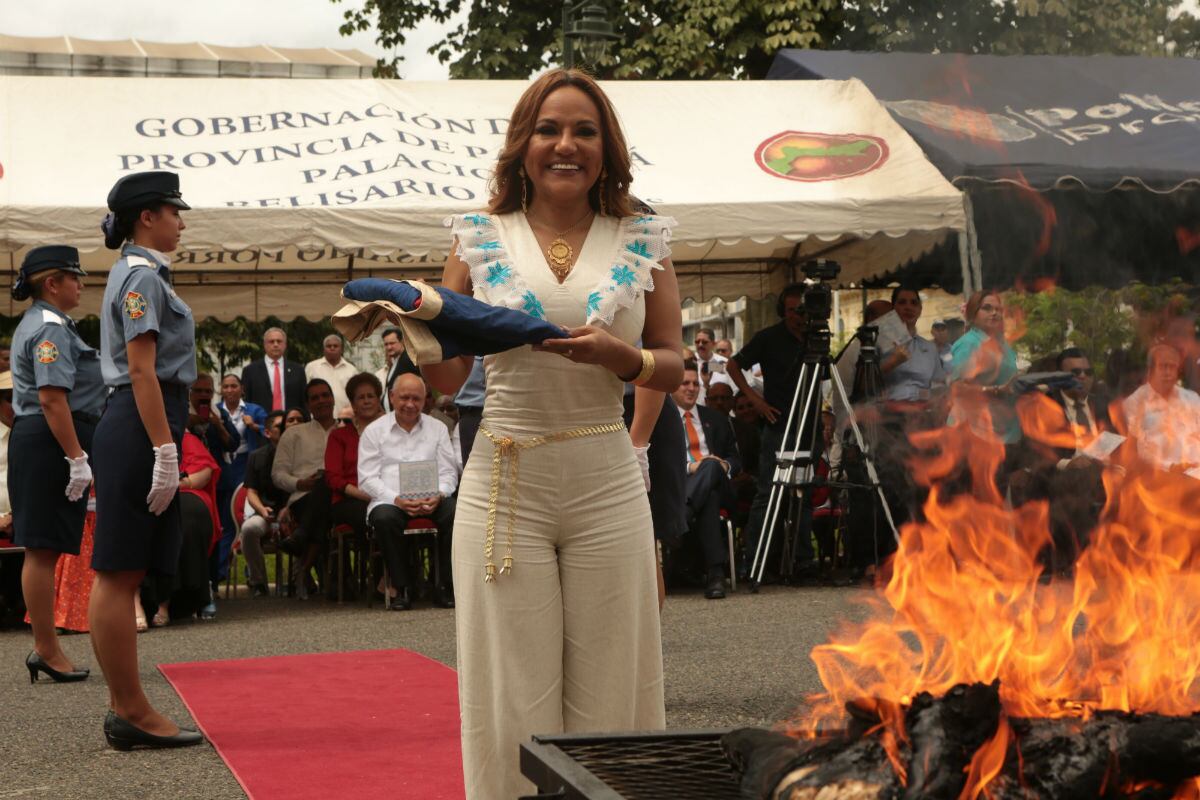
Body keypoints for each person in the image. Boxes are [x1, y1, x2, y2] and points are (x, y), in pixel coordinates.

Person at [425, 69, 683, 799]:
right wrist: (414, 328)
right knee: (509, 692)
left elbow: (672, 360)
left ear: (607, 148)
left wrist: (623, 358)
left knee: (616, 687)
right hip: (505, 485)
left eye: (584, 131)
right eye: (548, 129)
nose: (565, 145)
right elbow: (447, 378)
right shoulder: (478, 236)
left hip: (605, 476)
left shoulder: (645, 237)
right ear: (522, 145)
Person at [90, 170, 202, 750]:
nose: (181, 221)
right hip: (141, 420)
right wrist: (163, 448)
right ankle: (131, 709)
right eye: (173, 211)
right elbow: (141, 369)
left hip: (144, 419)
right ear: (147, 218)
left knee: (124, 567)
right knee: (118, 570)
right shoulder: (141, 277)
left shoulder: (144, 274)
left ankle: (124, 704)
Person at [9, 246, 104, 684]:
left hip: (48, 441)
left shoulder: (50, 324)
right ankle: (46, 648)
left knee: (43, 548)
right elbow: (51, 398)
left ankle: (46, 647)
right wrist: (76, 457)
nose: (80, 284)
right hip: (51, 442)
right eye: (74, 277)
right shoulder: (49, 329)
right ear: (52, 283)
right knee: (42, 549)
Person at [727, 283, 810, 576]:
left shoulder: (816, 339)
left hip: (809, 423)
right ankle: (756, 562)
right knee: (768, 492)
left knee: (803, 491)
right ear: (783, 312)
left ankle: (802, 559)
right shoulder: (769, 338)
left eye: (803, 309)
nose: (798, 316)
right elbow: (733, 366)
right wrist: (756, 401)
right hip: (777, 423)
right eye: (792, 310)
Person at [358, 374, 458, 610]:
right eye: (404, 398)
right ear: (392, 397)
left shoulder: (438, 429)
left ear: (426, 401)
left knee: (456, 513)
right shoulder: (374, 431)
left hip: (432, 497)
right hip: (391, 499)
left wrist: (440, 494)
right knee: (384, 518)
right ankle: (401, 588)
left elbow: (449, 473)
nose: (410, 404)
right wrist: (396, 499)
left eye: (417, 398)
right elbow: (367, 478)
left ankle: (445, 585)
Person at [1025, 347, 1111, 574]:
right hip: (1061, 475)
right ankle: (1082, 561)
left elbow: (1118, 442)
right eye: (1075, 372)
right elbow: (1034, 452)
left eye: (1087, 371)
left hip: (1103, 472)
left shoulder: (1103, 404)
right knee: (1079, 479)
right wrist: (1067, 464)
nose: (1083, 377)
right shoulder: (1044, 405)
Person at [672, 361, 741, 599]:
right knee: (709, 497)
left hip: (722, 487)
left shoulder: (716, 419)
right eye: (685, 383)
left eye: (695, 384)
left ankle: (684, 516)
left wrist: (725, 465)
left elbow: (734, 457)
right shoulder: (662, 421)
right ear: (672, 386)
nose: (691, 388)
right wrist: (692, 466)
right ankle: (716, 575)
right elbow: (657, 461)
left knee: (712, 465)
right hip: (682, 487)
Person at [140, 430, 220, 626]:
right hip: (143, 492)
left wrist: (177, 484)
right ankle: (137, 600)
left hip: (184, 490)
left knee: (185, 517)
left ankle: (168, 602)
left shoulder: (184, 437)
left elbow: (205, 470)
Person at [272, 379, 338, 599]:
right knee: (322, 491)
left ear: (333, 398)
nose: (321, 401)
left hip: (341, 496)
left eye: (325, 395)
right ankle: (313, 572)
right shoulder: (294, 434)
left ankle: (302, 556)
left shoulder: (347, 431)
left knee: (328, 482)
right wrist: (299, 483)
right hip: (303, 497)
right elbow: (278, 474)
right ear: (308, 404)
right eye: (315, 398)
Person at [948, 291, 1022, 486]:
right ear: (972, 313)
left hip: (1003, 430)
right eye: (987, 308)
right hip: (974, 432)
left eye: (998, 309)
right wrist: (995, 390)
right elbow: (957, 388)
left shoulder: (1004, 345)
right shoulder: (968, 344)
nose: (994, 313)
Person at [324, 372, 384, 599]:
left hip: (385, 495)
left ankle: (393, 576)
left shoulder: (391, 431)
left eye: (371, 396)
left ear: (379, 400)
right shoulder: (339, 436)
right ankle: (377, 576)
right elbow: (333, 478)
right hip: (349, 498)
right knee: (368, 515)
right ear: (353, 404)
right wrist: (365, 495)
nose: (367, 400)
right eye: (361, 397)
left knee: (389, 514)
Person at [214, 374, 266, 587]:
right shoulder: (215, 411)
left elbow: (271, 429)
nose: (230, 390)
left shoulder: (253, 410)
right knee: (225, 518)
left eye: (234, 386)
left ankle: (250, 569)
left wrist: (254, 426)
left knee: (244, 515)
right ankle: (219, 570)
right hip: (224, 464)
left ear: (241, 389)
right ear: (221, 389)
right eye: (225, 386)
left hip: (247, 463)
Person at [1122, 343, 1200, 473]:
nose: (1168, 372)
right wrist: (1170, 467)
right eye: (1163, 366)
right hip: (1161, 478)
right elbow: (1134, 452)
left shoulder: (1192, 398)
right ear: (1150, 370)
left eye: (1173, 367)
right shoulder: (1134, 403)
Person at [239, 410, 289, 597]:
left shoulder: (298, 455)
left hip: (293, 512)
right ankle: (258, 581)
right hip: (264, 513)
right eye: (279, 427)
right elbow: (251, 491)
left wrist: (289, 508)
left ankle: (301, 579)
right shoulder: (256, 456)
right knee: (249, 529)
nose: (284, 429)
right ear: (267, 433)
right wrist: (261, 509)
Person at [241, 327, 306, 414]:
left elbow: (304, 401)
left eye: (279, 341)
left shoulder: (298, 370)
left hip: (292, 423)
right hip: (261, 423)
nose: (275, 344)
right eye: (271, 341)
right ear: (264, 345)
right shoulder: (250, 371)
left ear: (285, 345)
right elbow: (246, 401)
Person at [305, 334, 358, 415]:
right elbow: (305, 394)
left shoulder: (351, 370)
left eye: (335, 346)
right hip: (318, 418)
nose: (332, 348)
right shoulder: (312, 367)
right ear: (323, 349)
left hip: (345, 418)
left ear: (341, 349)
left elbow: (356, 395)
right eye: (329, 346)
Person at [375, 327, 419, 411]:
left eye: (392, 343)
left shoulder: (408, 360)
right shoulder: (395, 361)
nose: (389, 347)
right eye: (386, 344)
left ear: (402, 342)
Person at [692, 327, 734, 405]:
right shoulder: (690, 361)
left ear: (714, 344)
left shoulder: (724, 363)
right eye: (697, 342)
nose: (700, 344)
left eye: (704, 342)